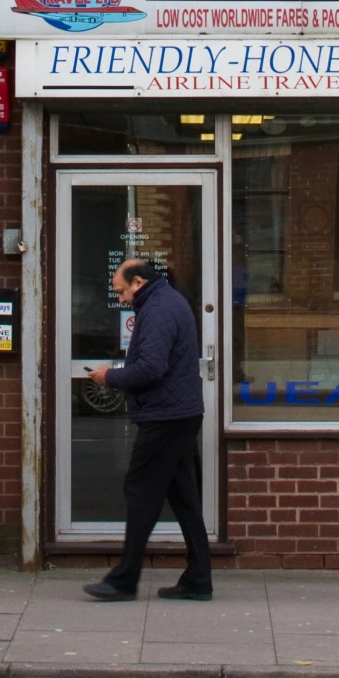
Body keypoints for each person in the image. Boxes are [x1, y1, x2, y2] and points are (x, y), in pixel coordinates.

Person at [82, 258, 213, 602]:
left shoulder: (156, 309)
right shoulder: (168, 300)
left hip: (165, 419)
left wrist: (108, 377)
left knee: (140, 493)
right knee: (185, 500)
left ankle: (124, 580)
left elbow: (151, 368)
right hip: (179, 415)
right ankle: (198, 578)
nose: (121, 299)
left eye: (122, 291)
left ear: (138, 282)